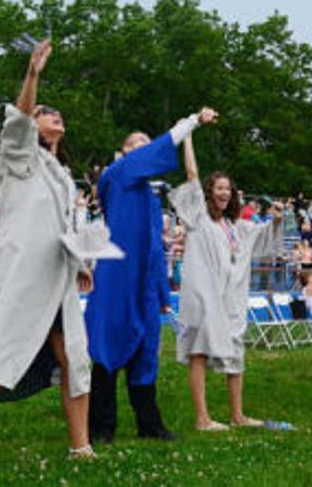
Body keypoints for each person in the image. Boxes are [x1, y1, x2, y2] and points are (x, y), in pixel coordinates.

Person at [0, 40, 95, 470]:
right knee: (1, 355)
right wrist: (33, 74)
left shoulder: (64, 176)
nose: (55, 116)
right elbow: (17, 122)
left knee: (75, 359)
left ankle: (80, 446)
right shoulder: (18, 157)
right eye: (46, 112)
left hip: (58, 278)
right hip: (23, 277)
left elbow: (62, 228)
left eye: (58, 113)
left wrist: (80, 261)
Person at [85, 107, 217, 443]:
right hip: (117, 280)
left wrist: (161, 294)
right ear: (125, 152)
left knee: (145, 355)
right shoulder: (117, 174)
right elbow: (160, 147)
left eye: (149, 143)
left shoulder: (148, 195)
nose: (146, 148)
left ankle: (149, 424)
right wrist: (189, 124)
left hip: (145, 286)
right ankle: (101, 426)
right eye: (138, 144)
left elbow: (157, 251)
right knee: (108, 347)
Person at [170, 122, 285, 431]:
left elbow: (265, 240)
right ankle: (202, 418)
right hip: (204, 297)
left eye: (228, 189)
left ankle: (237, 414)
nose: (223, 192)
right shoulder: (198, 219)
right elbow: (192, 176)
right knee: (199, 351)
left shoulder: (238, 226)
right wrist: (189, 136)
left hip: (231, 300)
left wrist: (276, 219)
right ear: (209, 192)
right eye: (218, 188)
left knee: (236, 353)